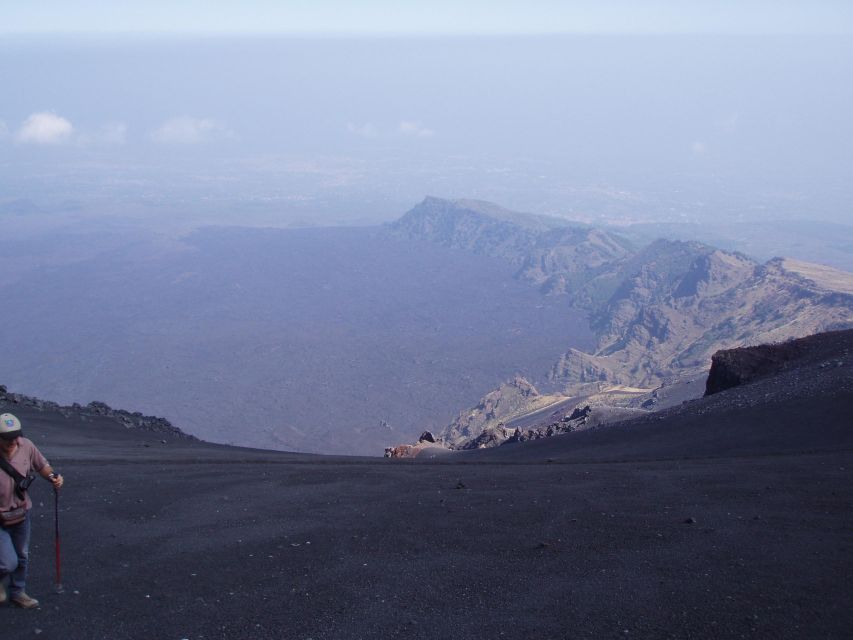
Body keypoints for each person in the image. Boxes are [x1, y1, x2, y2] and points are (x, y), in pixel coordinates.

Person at [0, 412, 64, 609]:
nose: (13, 441)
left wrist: (53, 477)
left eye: (16, 436)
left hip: (21, 512)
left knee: (22, 555)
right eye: (7, 438)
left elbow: (42, 465)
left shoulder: (26, 445)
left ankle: (18, 592)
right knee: (7, 562)